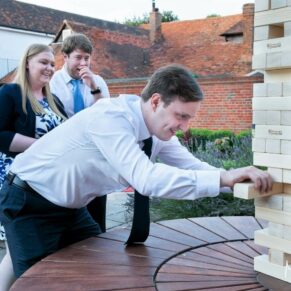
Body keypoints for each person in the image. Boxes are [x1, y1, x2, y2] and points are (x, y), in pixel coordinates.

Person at [0, 64, 273, 278]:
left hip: (69, 207)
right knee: (42, 282)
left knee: (93, 274)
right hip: (30, 202)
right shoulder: (110, 118)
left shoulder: (157, 133)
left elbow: (196, 168)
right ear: (155, 102)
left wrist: (236, 179)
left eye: (189, 118)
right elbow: (147, 179)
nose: (185, 126)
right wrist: (222, 178)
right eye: (181, 116)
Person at [0, 43, 67, 291]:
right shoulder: (10, 93)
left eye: (52, 63)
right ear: (27, 62)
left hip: (45, 185)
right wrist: (41, 145)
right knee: (16, 250)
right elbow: (1, 135)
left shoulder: (54, 100)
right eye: (43, 62)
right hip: (14, 183)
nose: (50, 68)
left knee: (20, 250)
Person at [50, 33, 110, 230]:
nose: (83, 63)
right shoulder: (52, 82)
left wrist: (93, 87)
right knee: (67, 209)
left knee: (96, 210)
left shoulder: (98, 81)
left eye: (87, 58)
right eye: (78, 57)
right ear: (65, 57)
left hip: (94, 153)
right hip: (65, 153)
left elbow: (106, 114)